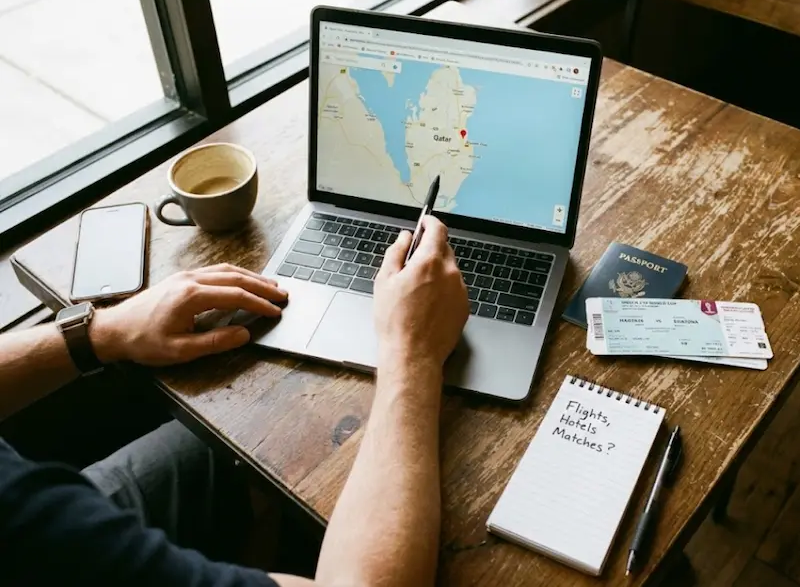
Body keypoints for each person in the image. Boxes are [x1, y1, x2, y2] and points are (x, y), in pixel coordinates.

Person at [0, 215, 469, 587]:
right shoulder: (39, 542)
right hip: (48, 544)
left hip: (53, 499)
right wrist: (413, 352)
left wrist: (103, 331)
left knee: (241, 445)